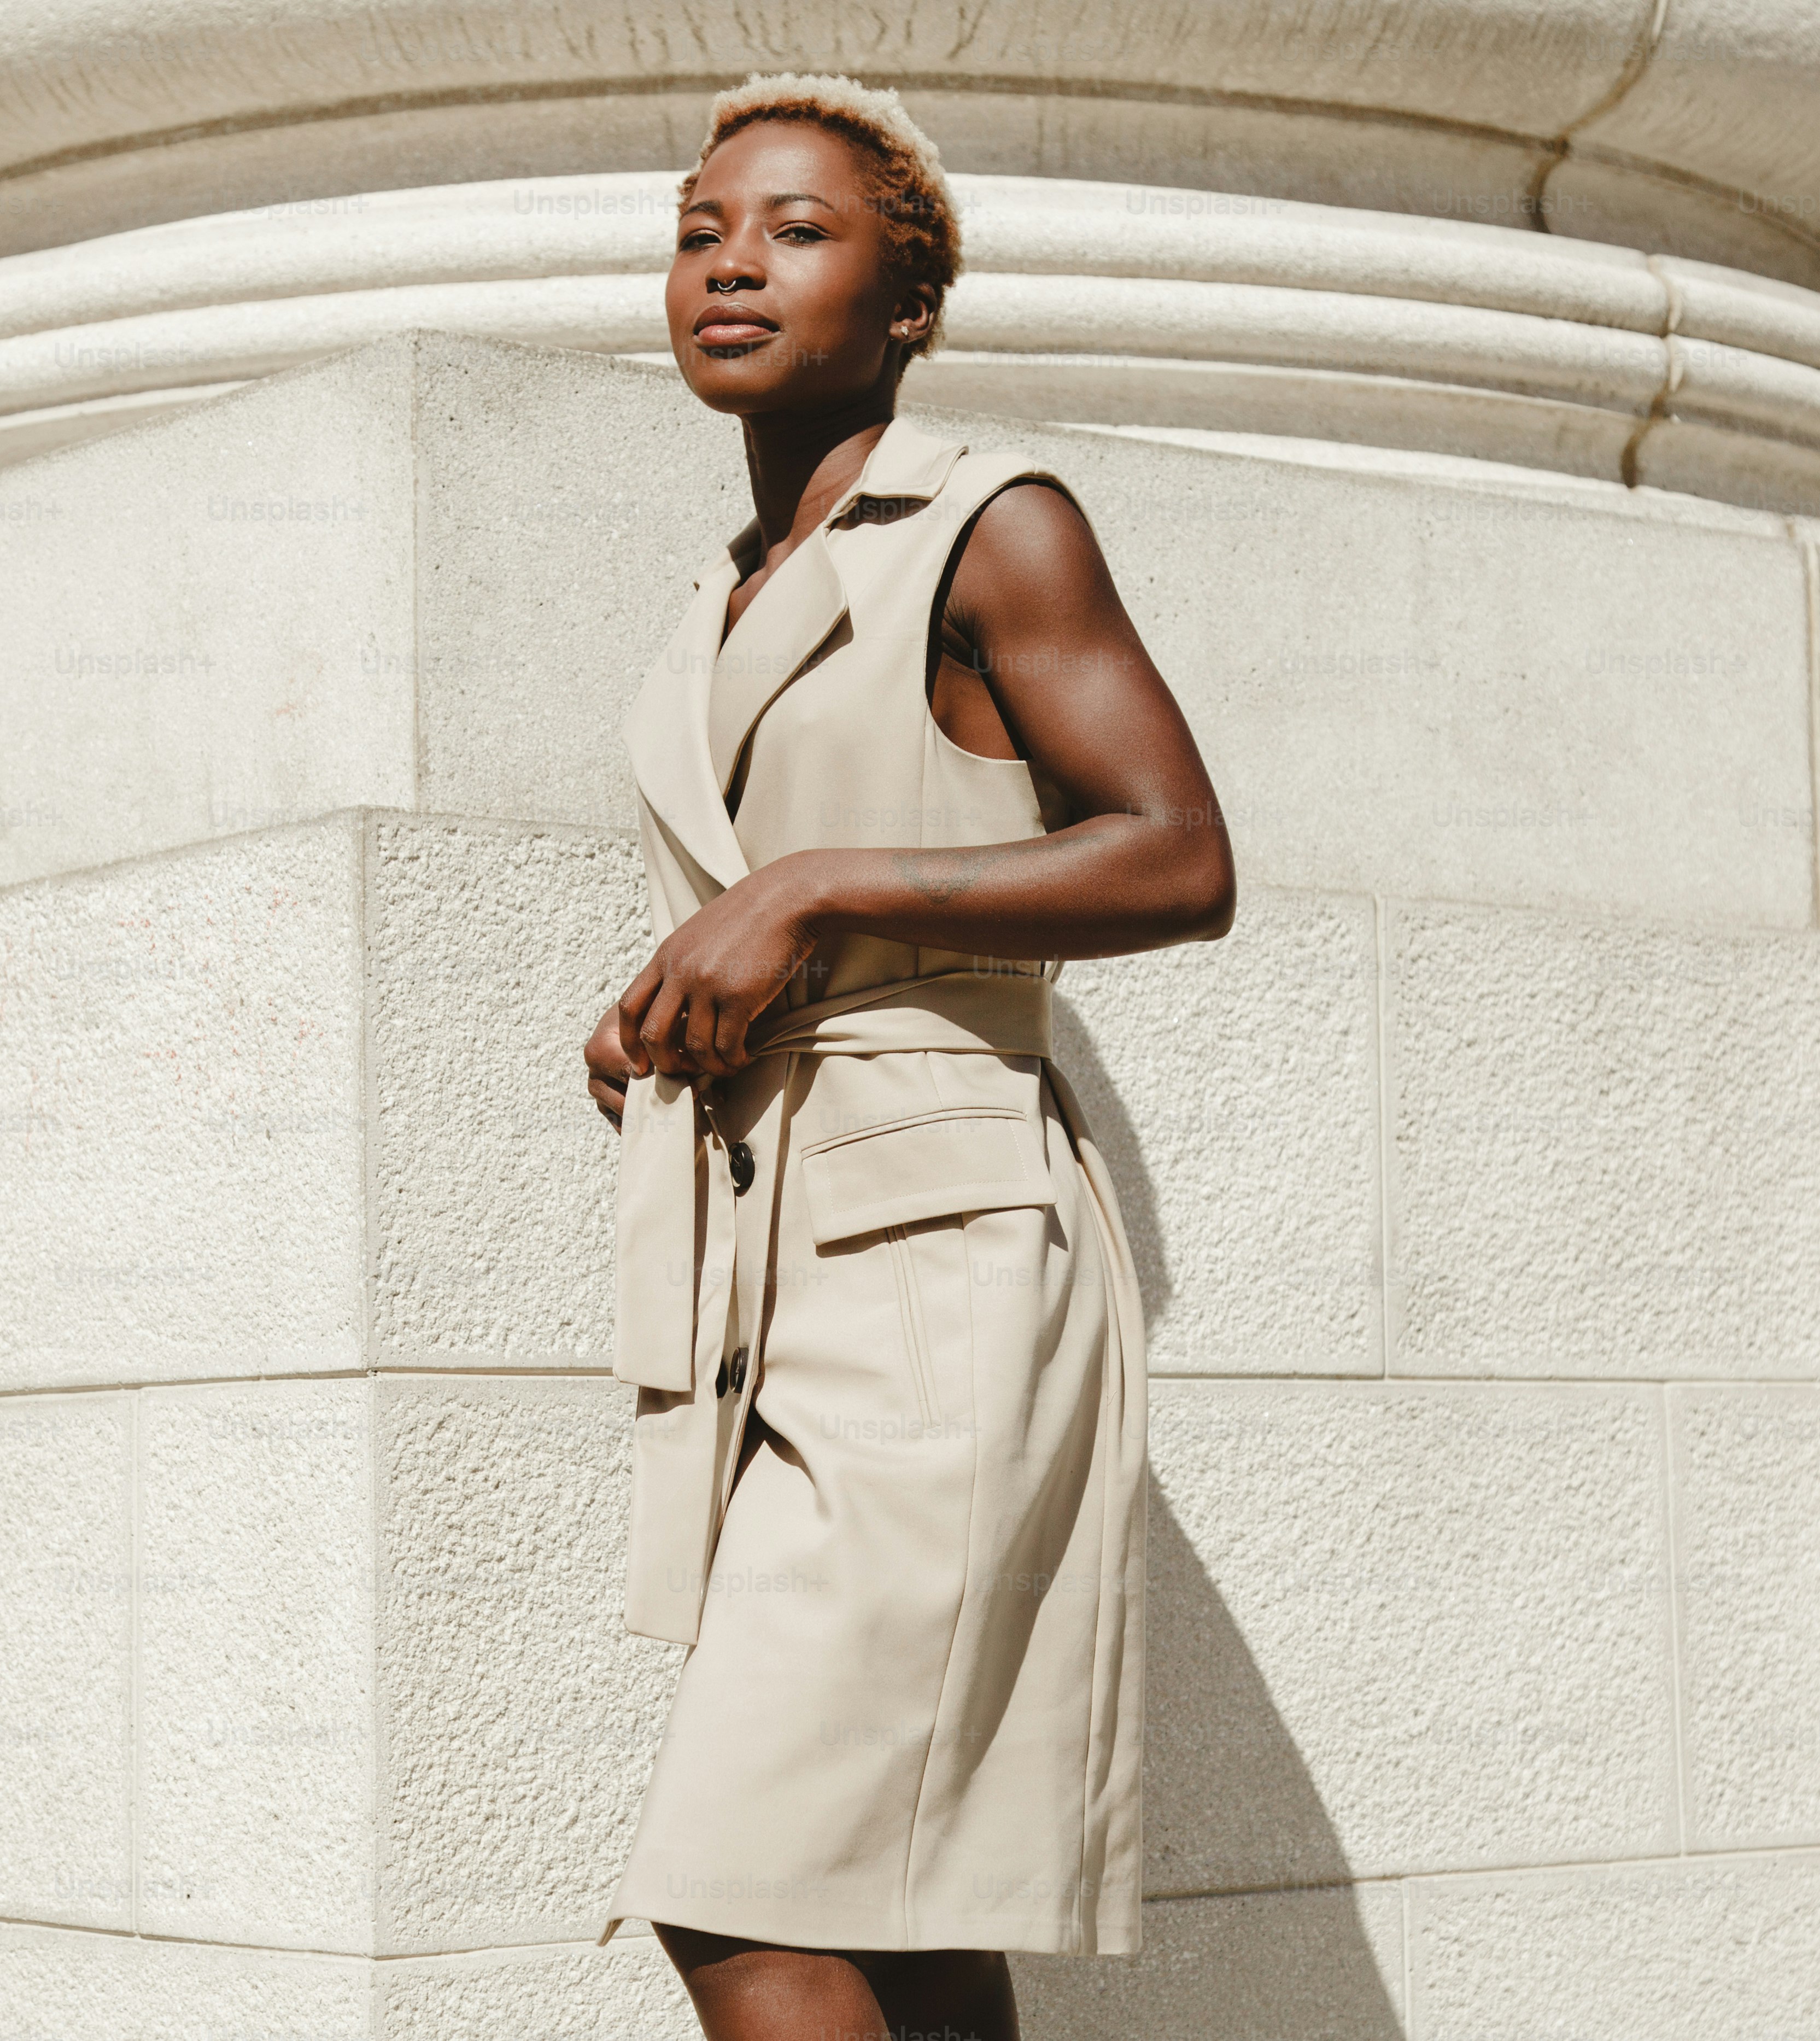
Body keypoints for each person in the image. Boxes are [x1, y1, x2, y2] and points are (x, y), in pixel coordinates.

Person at [581, 71, 1237, 2041]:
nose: (731, 263)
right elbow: (784, 895)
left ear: (910, 299)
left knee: (741, 1888)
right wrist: (683, 1002)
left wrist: (816, 897)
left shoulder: (992, 526)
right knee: (903, 1908)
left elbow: (1180, 856)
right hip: (771, 1287)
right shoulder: (718, 596)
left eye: (796, 230)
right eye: (703, 228)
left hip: (946, 1279)